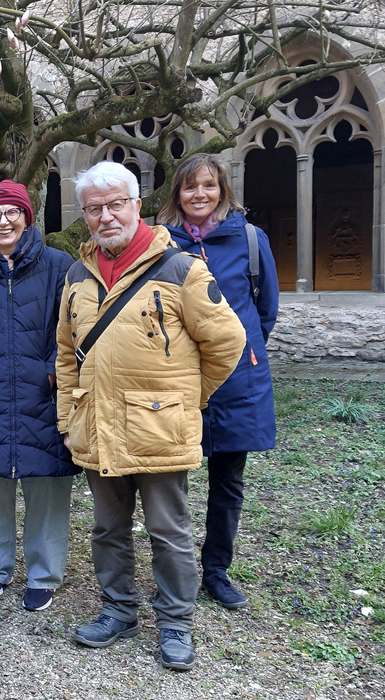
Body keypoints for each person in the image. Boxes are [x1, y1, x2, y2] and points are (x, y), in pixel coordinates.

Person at [56, 161, 245, 671]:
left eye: (116, 204)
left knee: (168, 531)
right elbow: (66, 354)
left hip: (159, 429)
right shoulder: (77, 274)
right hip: (97, 425)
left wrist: (186, 399)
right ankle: (118, 611)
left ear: (137, 205)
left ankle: (177, 624)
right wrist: (67, 420)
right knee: (107, 529)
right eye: (94, 208)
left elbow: (227, 342)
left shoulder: (181, 269)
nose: (105, 216)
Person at [156, 154, 279, 609]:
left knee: (228, 480)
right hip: (176, 377)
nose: (199, 194)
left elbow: (265, 309)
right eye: (190, 187)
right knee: (169, 481)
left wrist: (241, 353)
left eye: (208, 185)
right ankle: (175, 571)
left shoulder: (249, 239)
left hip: (237, 380)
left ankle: (216, 571)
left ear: (222, 189)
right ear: (177, 193)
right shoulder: (161, 242)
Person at [0, 180, 79, 610]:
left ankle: (44, 573)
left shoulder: (59, 265)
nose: (3, 221)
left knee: (46, 480)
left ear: (27, 217)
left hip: (43, 391)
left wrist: (51, 373)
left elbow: (71, 327)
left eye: (12, 213)